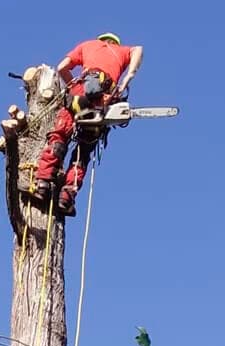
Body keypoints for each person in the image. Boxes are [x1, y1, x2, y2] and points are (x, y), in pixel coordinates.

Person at [28, 32, 144, 216]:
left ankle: (42, 183)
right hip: (103, 98)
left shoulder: (87, 45)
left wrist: (73, 89)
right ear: (115, 42)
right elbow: (138, 49)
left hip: (80, 91)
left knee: (59, 136)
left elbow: (61, 67)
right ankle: (66, 196)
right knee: (83, 149)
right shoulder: (121, 51)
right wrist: (128, 77)